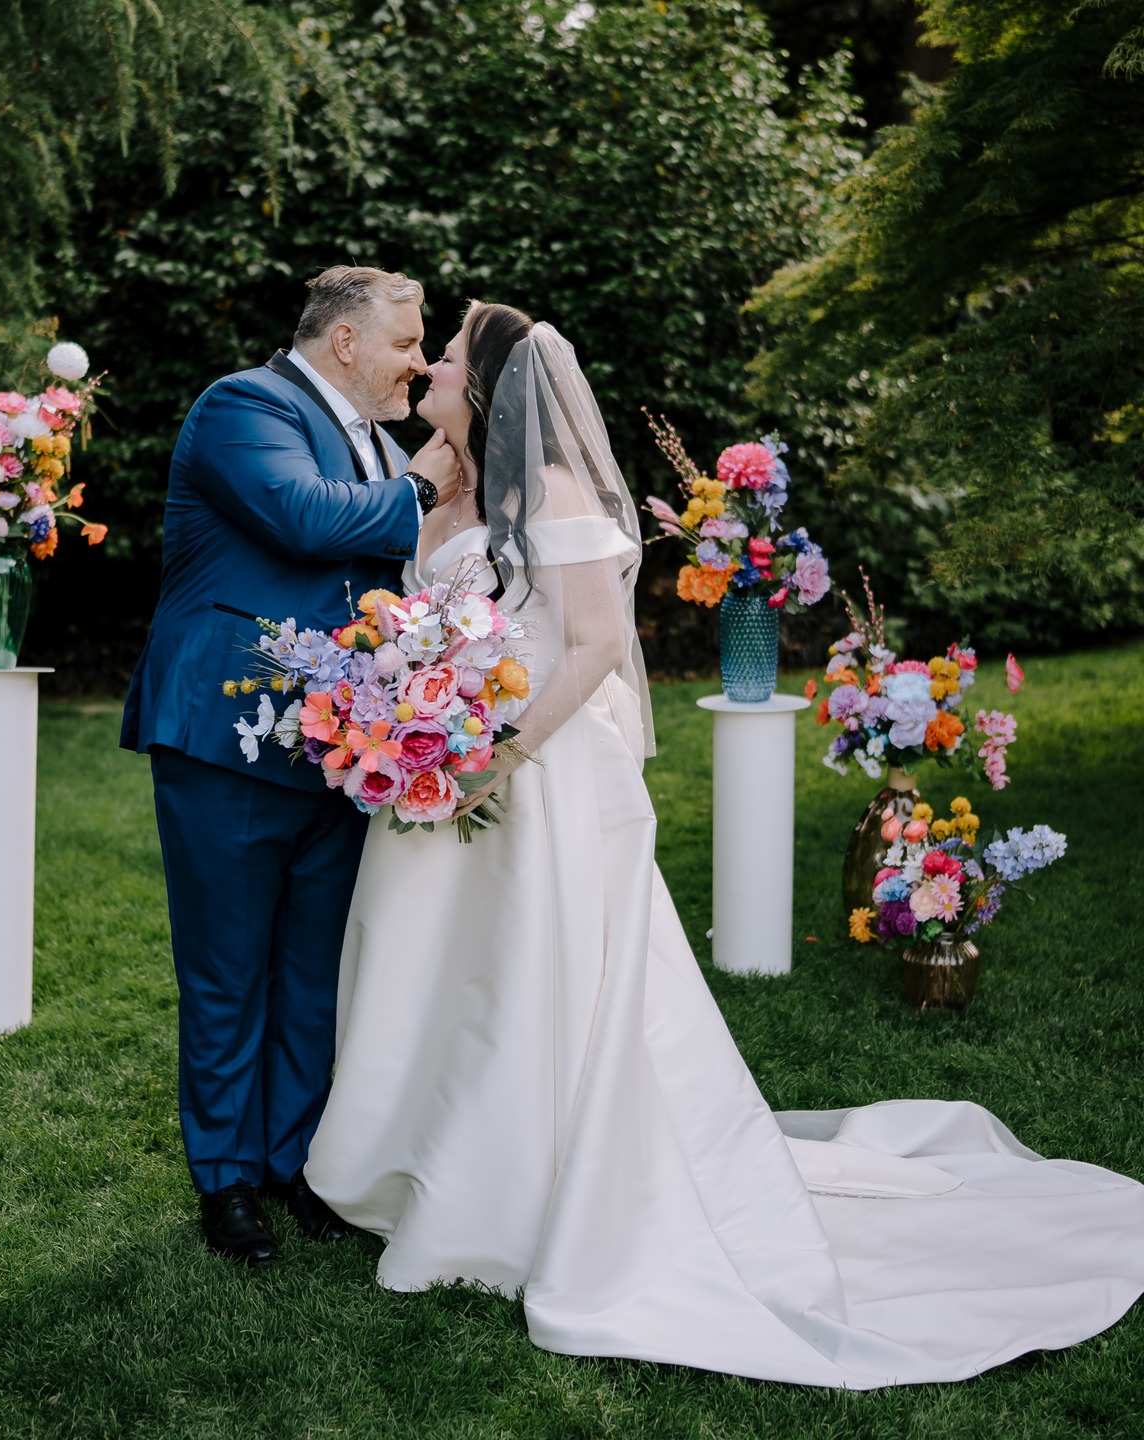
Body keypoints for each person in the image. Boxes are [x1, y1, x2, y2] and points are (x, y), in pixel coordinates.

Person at [303, 302, 1144, 1388]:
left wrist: (496, 753)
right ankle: (426, 1163)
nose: (434, 369)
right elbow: (437, 612)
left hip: (536, 779)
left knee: (530, 979)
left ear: (496, 389)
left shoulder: (551, 491)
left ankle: (520, 1188)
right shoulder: (454, 485)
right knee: (443, 971)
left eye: (452, 359)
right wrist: (412, 715)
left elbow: (597, 645)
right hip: (444, 773)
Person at [121, 266, 462, 1265]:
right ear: (346, 342)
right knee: (228, 972)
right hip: (227, 736)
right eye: (407, 342)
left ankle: (293, 1165)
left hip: (344, 749)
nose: (418, 361)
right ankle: (224, 1184)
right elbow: (304, 518)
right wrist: (432, 481)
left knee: (313, 973)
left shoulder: (379, 441)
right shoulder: (243, 405)